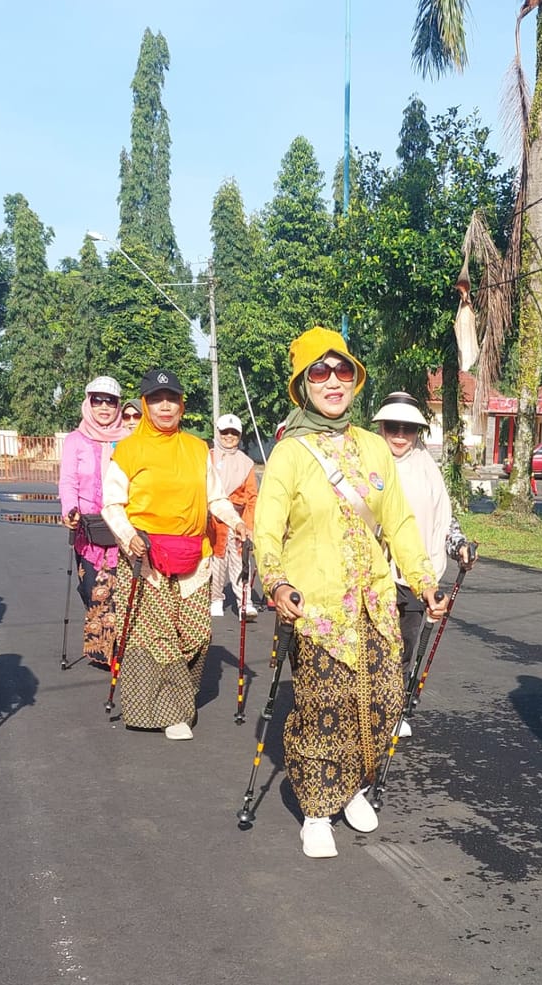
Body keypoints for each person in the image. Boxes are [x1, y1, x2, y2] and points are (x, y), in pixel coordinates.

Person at [254, 328, 447, 859]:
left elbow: (401, 524)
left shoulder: (372, 447)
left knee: (384, 700)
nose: (333, 381)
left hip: (377, 604)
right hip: (316, 606)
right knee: (324, 709)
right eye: (320, 371)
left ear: (355, 378)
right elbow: (266, 529)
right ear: (303, 384)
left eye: (342, 370)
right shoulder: (290, 454)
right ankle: (316, 809)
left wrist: (425, 581)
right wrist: (278, 581)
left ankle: (356, 786)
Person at [100, 369, 246, 739]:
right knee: (158, 637)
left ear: (182, 404)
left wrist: (236, 522)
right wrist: (129, 535)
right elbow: (112, 505)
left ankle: (177, 695)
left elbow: (214, 496)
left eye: (171, 399)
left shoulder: (197, 449)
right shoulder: (129, 450)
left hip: (194, 556)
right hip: (146, 558)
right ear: (145, 404)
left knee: (197, 635)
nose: (164, 407)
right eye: (155, 399)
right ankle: (170, 713)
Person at [372, 391, 476, 738]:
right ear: (381, 427)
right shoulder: (367, 462)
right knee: (374, 648)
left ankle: (392, 710)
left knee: (404, 648)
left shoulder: (427, 468)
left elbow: (443, 519)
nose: (400, 435)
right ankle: (367, 713)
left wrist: (459, 545)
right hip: (375, 574)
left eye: (408, 428)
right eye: (393, 427)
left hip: (418, 579)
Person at [59, 377, 131, 667]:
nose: (104, 406)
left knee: (118, 588)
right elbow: (68, 480)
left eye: (110, 401)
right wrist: (69, 510)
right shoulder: (76, 440)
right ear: (88, 402)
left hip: (120, 524)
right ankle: (101, 640)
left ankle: (115, 650)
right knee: (90, 586)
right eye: (97, 400)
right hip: (87, 526)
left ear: (117, 405)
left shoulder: (129, 439)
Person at [208, 413, 259, 620]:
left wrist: (248, 526)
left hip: (237, 521)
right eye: (225, 432)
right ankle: (216, 599)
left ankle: (244, 602)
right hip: (212, 518)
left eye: (234, 433)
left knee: (240, 559)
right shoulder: (208, 457)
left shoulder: (246, 463)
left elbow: (251, 497)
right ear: (218, 432)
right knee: (216, 561)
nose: (229, 436)